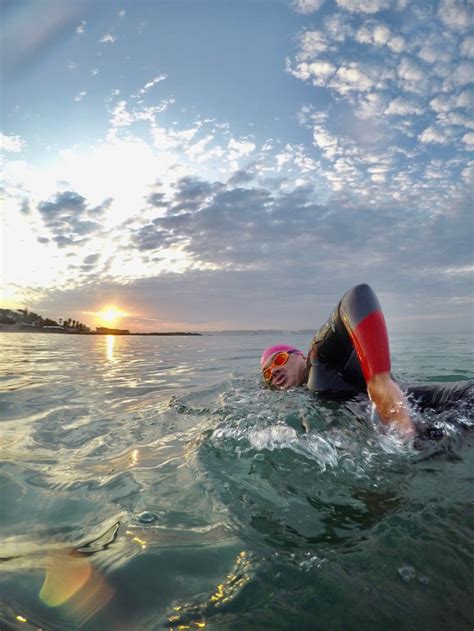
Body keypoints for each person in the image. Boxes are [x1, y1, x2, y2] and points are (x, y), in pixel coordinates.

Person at [260, 284, 415, 437]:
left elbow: (357, 296)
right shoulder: (308, 393)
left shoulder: (319, 359)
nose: (273, 371)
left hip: (420, 409)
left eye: (279, 359)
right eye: (267, 374)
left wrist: (379, 381)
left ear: (300, 356)